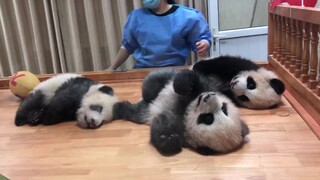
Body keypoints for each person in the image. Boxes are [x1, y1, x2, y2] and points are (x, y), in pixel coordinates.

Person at [108, 0, 212, 70]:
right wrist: (111, 69)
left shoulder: (188, 16)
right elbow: (127, 46)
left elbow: (202, 40)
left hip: (174, 73)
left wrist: (204, 44)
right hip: (142, 74)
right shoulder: (136, 17)